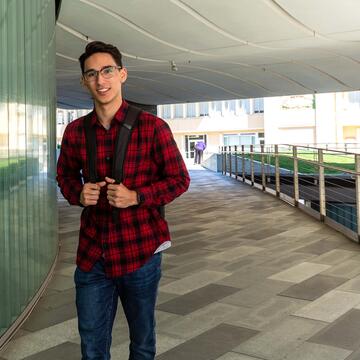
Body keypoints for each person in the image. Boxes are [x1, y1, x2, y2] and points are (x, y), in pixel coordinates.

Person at [56, 41, 190, 360]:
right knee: (92, 345)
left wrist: (137, 196)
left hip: (140, 251)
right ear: (84, 81)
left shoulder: (153, 128)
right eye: (92, 74)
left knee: (142, 342)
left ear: (122, 74)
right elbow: (64, 176)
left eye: (107, 71)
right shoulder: (75, 132)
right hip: (93, 255)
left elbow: (180, 179)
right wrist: (77, 193)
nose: (101, 80)